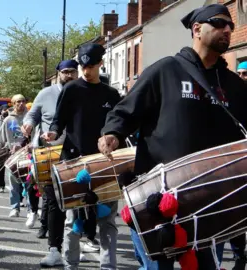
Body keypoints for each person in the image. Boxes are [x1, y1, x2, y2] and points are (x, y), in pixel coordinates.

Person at [98, 4, 247, 270]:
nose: (227, 29)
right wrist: (112, 132)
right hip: (160, 197)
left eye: (231, 26)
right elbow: (126, 110)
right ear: (197, 29)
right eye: (220, 23)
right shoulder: (166, 70)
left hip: (211, 199)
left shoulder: (233, 85)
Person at [42, 43, 121, 269]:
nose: (86, 71)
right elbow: (59, 119)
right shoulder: (72, 89)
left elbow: (119, 125)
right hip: (74, 160)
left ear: (100, 64)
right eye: (83, 66)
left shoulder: (111, 94)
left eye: (91, 66)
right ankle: (71, 264)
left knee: (107, 219)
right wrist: (54, 132)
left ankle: (108, 266)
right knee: (73, 219)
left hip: (104, 162)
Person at [21, 60, 76, 236]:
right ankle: (45, 224)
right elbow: (32, 115)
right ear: (58, 73)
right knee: (48, 191)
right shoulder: (46, 94)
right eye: (66, 71)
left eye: (73, 72)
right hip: (49, 149)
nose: (69, 75)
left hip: (75, 150)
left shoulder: (83, 91)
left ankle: (78, 231)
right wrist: (28, 124)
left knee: (73, 190)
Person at [0, 94, 28, 218]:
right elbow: (1, 137)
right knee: (13, 182)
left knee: (28, 183)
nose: (21, 104)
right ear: (13, 104)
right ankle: (15, 208)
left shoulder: (30, 117)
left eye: (23, 101)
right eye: (18, 102)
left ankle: (31, 209)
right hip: (12, 155)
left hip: (28, 154)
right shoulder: (8, 120)